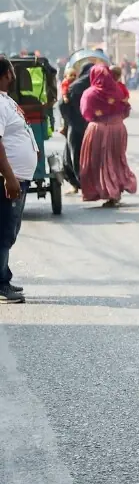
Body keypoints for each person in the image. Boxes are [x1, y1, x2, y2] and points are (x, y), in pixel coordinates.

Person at [0, 57, 37, 302]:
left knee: (8, 231)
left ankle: (4, 277)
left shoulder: (6, 100)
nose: (13, 76)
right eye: (11, 71)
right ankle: (2, 284)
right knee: (4, 232)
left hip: (17, 177)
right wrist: (9, 177)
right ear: (6, 74)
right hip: (8, 179)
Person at [79, 64, 137, 207]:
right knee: (116, 160)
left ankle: (108, 191)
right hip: (118, 128)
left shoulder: (90, 93)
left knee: (98, 162)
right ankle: (116, 189)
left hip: (98, 130)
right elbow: (126, 109)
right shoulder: (119, 90)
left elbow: (86, 112)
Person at [60, 62, 95, 194]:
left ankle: (79, 184)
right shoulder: (96, 87)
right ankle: (87, 185)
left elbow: (62, 105)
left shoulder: (74, 87)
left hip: (74, 127)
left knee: (72, 156)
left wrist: (67, 122)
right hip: (91, 127)